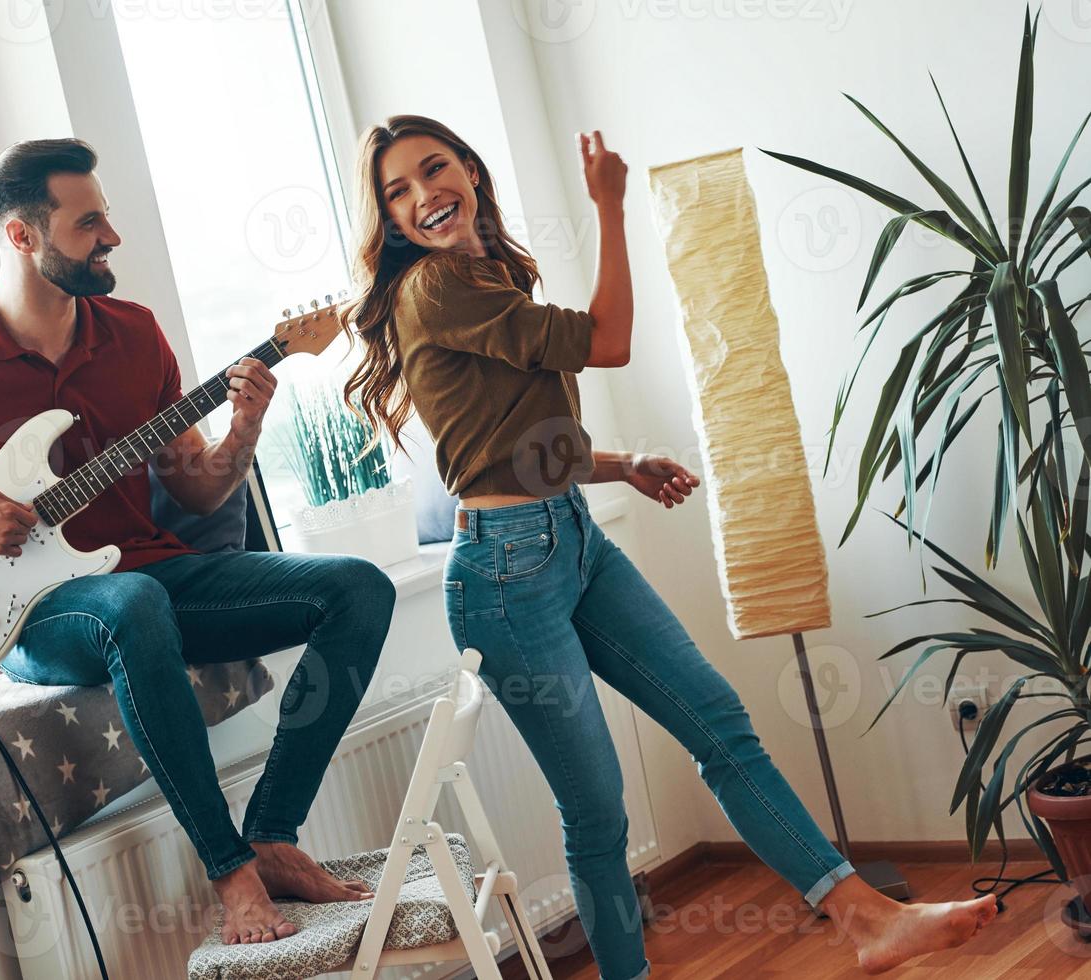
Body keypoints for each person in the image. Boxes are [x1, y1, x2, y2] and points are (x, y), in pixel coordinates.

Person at [340, 114, 999, 978]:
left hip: (565, 538)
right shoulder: (433, 288)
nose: (425, 194)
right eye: (399, 189)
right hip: (503, 574)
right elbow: (607, 343)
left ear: (467, 168)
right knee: (599, 815)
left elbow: (508, 441)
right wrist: (609, 207)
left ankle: (862, 918)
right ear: (388, 219)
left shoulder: (484, 274)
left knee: (720, 725)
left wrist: (617, 465)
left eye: (435, 168)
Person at [0, 138, 396, 945]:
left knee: (358, 588)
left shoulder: (134, 336)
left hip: (152, 578)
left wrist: (244, 427)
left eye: (105, 218)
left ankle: (273, 836)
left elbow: (196, 487)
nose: (111, 236)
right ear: (23, 237)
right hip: (30, 616)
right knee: (130, 605)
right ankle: (231, 873)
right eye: (89, 222)